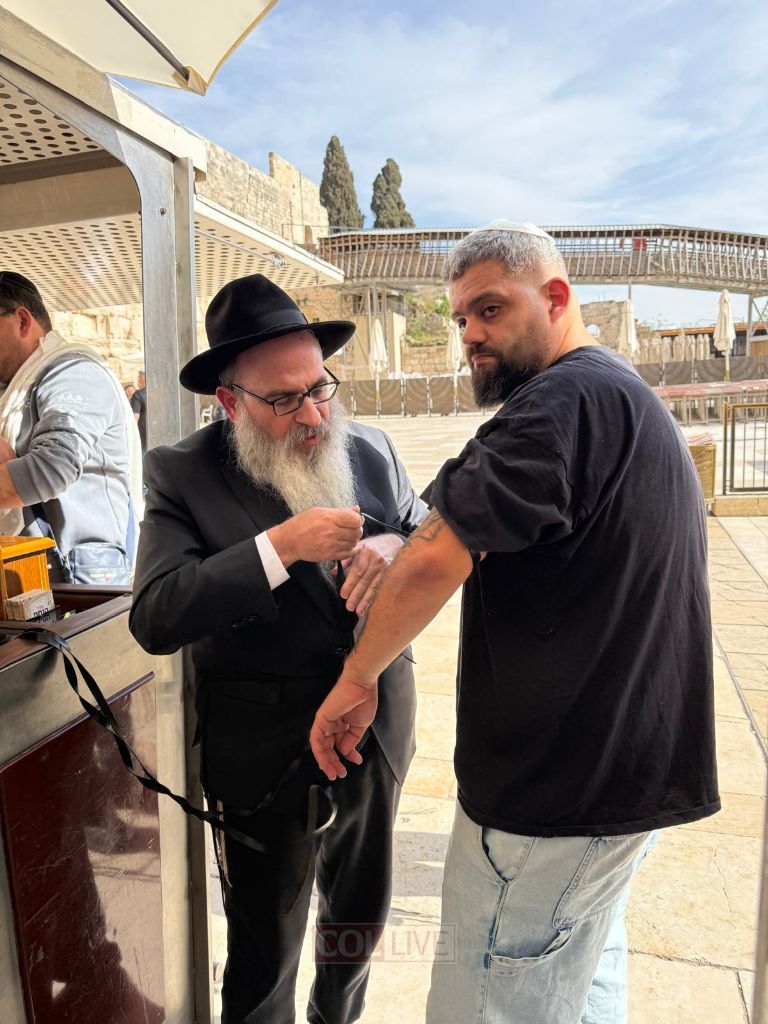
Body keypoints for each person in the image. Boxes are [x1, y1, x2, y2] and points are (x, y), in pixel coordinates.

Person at [309, 222, 719, 1024]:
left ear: (556, 298)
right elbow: (463, 518)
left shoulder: (560, 402)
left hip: (553, 801)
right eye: (462, 317)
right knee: (579, 982)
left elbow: (435, 558)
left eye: (491, 310)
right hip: (621, 786)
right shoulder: (614, 392)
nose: (470, 335)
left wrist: (357, 678)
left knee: (488, 1000)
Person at [129, 274, 425, 1024]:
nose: (313, 415)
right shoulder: (181, 472)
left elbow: (424, 527)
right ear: (230, 402)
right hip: (264, 751)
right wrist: (281, 547)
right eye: (285, 400)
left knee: (358, 920)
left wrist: (395, 544)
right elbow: (158, 614)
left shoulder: (373, 448)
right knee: (264, 949)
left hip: (374, 731)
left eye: (319, 388)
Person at [0, 271, 142, 584]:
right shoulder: (17, 389)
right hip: (39, 575)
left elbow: (51, 467)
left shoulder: (72, 372)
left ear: (21, 320)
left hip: (81, 578)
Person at [130, 368, 147, 451]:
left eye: (139, 377)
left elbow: (134, 418)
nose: (138, 379)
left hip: (144, 439)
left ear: (144, 377)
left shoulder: (138, 394)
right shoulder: (162, 392)